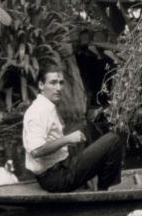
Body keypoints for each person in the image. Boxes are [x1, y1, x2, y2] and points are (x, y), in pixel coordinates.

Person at [23, 64, 125, 192]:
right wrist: (67, 139)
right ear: (41, 85)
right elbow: (36, 151)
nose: (59, 88)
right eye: (53, 83)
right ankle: (102, 191)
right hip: (56, 179)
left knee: (83, 127)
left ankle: (91, 179)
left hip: (61, 166)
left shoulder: (46, 106)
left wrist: (68, 140)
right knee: (113, 140)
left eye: (61, 83)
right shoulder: (38, 112)